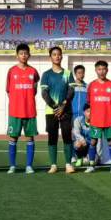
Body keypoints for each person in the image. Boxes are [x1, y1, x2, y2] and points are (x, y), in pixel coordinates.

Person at [5, 42, 41, 174]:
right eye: (21, 53)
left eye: (26, 53)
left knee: (30, 138)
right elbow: (8, 91)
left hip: (29, 111)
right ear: (17, 55)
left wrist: (27, 99)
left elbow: (35, 89)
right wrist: (17, 101)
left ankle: (29, 166)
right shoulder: (11, 71)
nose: (23, 55)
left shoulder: (33, 71)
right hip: (15, 111)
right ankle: (12, 166)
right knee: (13, 138)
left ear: (29, 55)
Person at [82, 59, 111, 173]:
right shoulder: (92, 85)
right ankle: (91, 165)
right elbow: (89, 101)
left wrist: (106, 107)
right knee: (93, 142)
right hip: (95, 120)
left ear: (107, 70)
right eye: (99, 69)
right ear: (96, 70)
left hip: (109, 119)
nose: (102, 71)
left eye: (104, 69)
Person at [39, 44, 73, 173]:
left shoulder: (68, 73)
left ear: (62, 57)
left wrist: (63, 106)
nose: (57, 57)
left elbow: (71, 91)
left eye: (59, 54)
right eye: (54, 54)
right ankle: (53, 165)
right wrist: (55, 107)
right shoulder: (46, 74)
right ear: (50, 57)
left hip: (66, 110)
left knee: (67, 136)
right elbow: (44, 93)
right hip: (51, 111)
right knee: (52, 137)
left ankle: (68, 164)